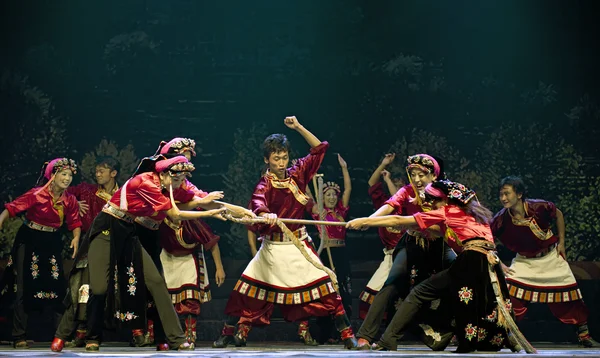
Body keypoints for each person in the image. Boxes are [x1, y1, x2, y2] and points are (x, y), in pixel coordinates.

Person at [213, 116, 357, 349]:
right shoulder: (264, 185)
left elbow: (320, 149)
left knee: (328, 289)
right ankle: (228, 333)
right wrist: (265, 214)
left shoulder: (298, 172)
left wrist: (299, 127)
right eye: (276, 158)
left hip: (298, 244)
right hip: (272, 247)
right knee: (243, 291)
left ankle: (347, 336)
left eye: (284, 157)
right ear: (267, 160)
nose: (281, 162)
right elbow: (258, 205)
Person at [72, 155, 232, 352]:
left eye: (182, 180)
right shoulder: (147, 182)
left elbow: (189, 202)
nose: (179, 184)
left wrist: (243, 213)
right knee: (99, 288)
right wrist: (209, 213)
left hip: (128, 230)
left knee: (156, 282)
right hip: (108, 228)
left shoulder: (165, 186)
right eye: (176, 180)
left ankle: (176, 338)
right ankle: (91, 336)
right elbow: (175, 214)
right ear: (164, 174)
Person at [347, 179, 523, 353]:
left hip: (471, 260)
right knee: (489, 303)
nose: (430, 205)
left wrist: (365, 221)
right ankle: (509, 339)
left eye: (432, 200)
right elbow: (442, 232)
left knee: (418, 292)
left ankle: (388, 339)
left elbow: (396, 219)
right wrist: (416, 227)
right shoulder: (474, 214)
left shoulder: (446, 211)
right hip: (489, 262)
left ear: (444, 200)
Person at [354, 154, 455, 349]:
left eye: (422, 175)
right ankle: (365, 335)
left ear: (434, 176)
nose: (416, 180)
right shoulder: (407, 191)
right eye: (413, 174)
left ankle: (459, 331)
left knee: (462, 271)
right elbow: (389, 206)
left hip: (439, 245)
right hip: (412, 243)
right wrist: (369, 220)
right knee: (392, 283)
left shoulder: (445, 193)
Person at [492, 176, 598, 348]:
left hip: (550, 258)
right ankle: (505, 336)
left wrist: (562, 242)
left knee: (571, 298)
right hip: (524, 262)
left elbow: (558, 214)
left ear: (519, 194)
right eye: (501, 195)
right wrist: (500, 264)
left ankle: (584, 334)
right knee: (510, 298)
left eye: (507, 194)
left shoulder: (539, 206)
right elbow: (487, 239)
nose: (503, 198)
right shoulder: (500, 219)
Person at [0, 158, 82, 349]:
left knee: (57, 286)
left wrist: (76, 238)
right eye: (63, 174)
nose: (67, 178)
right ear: (52, 176)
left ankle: (60, 335)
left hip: (51, 241)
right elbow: (10, 209)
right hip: (29, 240)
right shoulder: (36, 194)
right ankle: (19, 335)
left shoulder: (69, 199)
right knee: (24, 285)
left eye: (70, 175)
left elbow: (75, 222)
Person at [52, 157, 120, 348]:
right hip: (91, 245)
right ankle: (81, 332)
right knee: (83, 287)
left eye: (102, 170)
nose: (97, 174)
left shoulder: (122, 194)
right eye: (96, 170)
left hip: (116, 246)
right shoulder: (86, 190)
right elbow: (59, 189)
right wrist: (73, 202)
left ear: (113, 173)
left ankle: (139, 332)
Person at [358, 154, 404, 320]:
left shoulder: (409, 206)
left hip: (407, 255)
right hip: (390, 256)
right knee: (373, 292)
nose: (397, 187)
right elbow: (372, 183)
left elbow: (399, 199)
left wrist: (390, 182)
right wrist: (383, 164)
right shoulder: (384, 204)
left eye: (401, 185)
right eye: (395, 184)